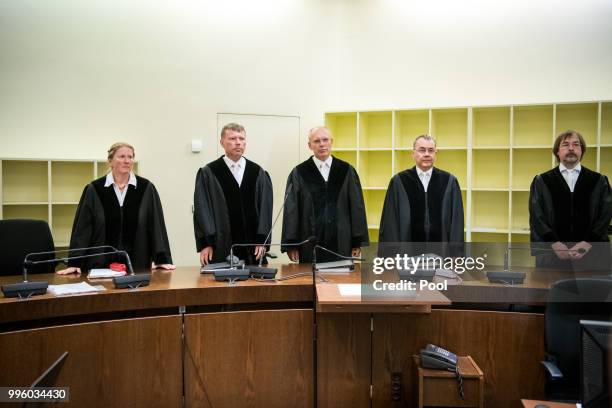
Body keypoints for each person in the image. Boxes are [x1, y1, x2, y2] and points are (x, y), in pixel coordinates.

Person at [57, 142, 174, 274]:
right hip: (99, 265)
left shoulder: (146, 188)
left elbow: (156, 225)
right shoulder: (94, 189)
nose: (127, 161)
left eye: (130, 157)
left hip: (137, 264)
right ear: (110, 161)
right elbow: (83, 229)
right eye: (122, 156)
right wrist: (75, 262)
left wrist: (162, 259)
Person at [281, 126, 369, 263]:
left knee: (340, 280)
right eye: (316, 141)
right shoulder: (299, 172)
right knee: (310, 281)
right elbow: (291, 210)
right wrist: (291, 244)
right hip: (309, 242)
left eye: (325, 140)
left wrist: (357, 241)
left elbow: (357, 207)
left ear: (331, 142)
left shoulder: (346, 170)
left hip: (342, 242)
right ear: (309, 145)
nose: (322, 144)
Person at [529, 130, 612, 268]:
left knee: (593, 289)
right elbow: (537, 216)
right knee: (551, 289)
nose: (571, 148)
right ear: (557, 151)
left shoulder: (599, 181)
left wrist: (588, 243)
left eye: (576, 144)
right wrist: (554, 244)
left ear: (582, 151)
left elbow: (605, 215)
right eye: (565, 145)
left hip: (592, 256)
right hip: (552, 256)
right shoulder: (542, 181)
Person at [193, 123, 273, 265]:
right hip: (220, 246)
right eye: (232, 138)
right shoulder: (209, 172)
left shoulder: (258, 173)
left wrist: (262, 240)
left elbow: (265, 211)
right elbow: (202, 210)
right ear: (222, 142)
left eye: (241, 139)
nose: (238, 143)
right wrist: (206, 243)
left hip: (253, 248)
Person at [378, 135, 464, 248]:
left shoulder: (449, 181)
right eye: (422, 150)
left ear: (435, 154)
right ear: (413, 153)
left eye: (431, 150)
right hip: (407, 253)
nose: (427, 154)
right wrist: (391, 254)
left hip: (441, 253)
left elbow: (457, 221)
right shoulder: (399, 181)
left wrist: (455, 252)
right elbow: (390, 221)